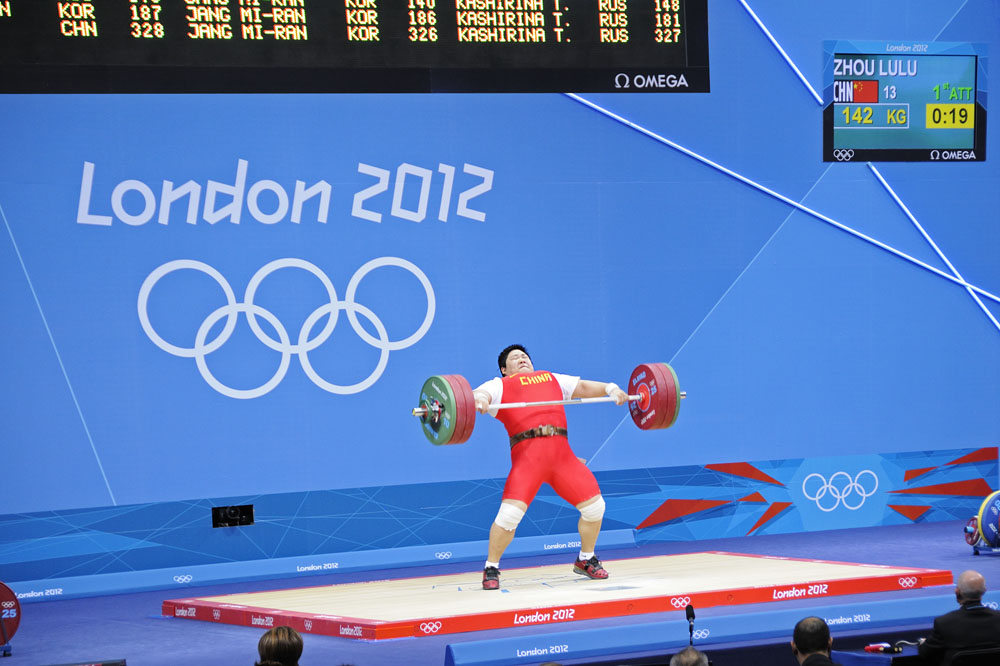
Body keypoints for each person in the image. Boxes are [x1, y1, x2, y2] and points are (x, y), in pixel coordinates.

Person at [472, 344, 628, 590]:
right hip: (527, 460)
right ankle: (491, 566)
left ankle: (586, 559)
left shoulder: (551, 378)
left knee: (596, 508)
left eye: (525, 356)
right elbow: (478, 395)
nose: (522, 359)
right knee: (508, 517)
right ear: (504, 369)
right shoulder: (499, 385)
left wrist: (612, 388)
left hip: (562, 457)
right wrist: (480, 401)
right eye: (515, 358)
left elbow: (584, 387)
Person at [918, 569, 1000, 665]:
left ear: (957, 592)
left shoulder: (945, 623)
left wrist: (922, 643)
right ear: (984, 591)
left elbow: (925, 653)